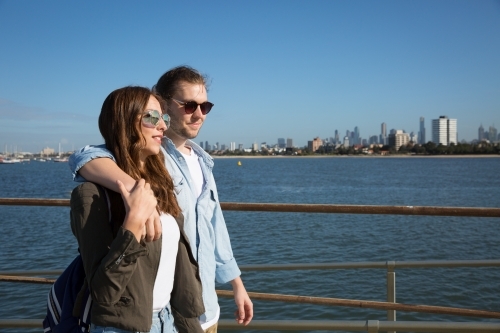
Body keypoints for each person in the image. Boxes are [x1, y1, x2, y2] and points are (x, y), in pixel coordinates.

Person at [69, 66, 253, 332]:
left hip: (197, 308)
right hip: (148, 317)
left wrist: (236, 284)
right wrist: (138, 195)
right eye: (189, 105)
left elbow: (215, 228)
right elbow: (82, 157)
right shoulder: (152, 159)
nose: (199, 114)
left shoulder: (199, 162)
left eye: (205, 106)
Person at [70, 86, 205, 333]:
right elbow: (103, 292)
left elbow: (178, 271)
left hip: (170, 321)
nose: (163, 126)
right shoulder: (92, 195)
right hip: (125, 327)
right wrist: (132, 225)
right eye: (152, 118)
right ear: (123, 123)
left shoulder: (161, 184)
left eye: (163, 118)